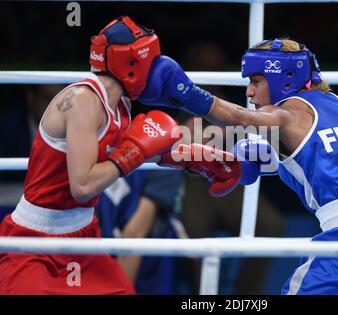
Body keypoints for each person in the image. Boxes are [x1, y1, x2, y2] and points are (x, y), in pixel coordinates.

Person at [138, 38, 338, 294]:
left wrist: (184, 91)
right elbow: (330, 160)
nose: (250, 92)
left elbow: (239, 117)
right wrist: (264, 156)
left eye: (255, 81)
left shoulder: (287, 115)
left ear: (282, 79)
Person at [0, 16, 241, 294]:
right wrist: (134, 152)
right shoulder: (82, 101)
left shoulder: (120, 105)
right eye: (152, 60)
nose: (157, 69)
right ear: (132, 64)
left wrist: (193, 159)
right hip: (33, 242)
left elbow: (136, 150)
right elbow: (84, 185)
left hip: (84, 236)